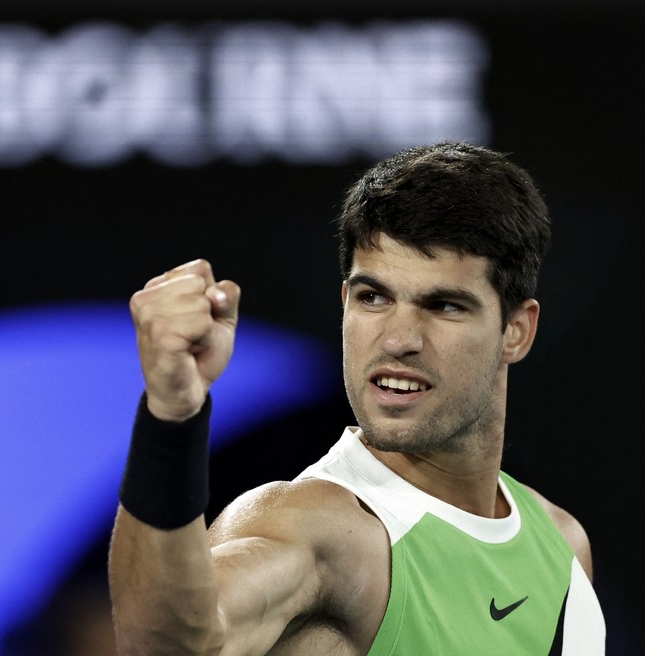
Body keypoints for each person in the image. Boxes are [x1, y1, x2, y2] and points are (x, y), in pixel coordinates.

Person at [107, 140, 606, 654]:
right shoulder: (315, 528)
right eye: (373, 297)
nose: (397, 339)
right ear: (345, 302)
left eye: (444, 306)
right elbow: (171, 647)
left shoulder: (563, 542)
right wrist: (170, 416)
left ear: (516, 331)